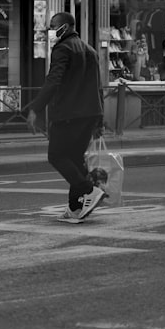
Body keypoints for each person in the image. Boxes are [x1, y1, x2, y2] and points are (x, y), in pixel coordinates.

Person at [24, 12, 105, 224]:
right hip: (88, 115)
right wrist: (99, 120)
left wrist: (36, 108)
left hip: (68, 114)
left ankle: (90, 190)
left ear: (67, 27)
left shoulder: (62, 49)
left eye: (54, 26)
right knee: (75, 159)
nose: (52, 31)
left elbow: (54, 80)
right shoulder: (91, 50)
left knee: (57, 156)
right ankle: (75, 209)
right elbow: (98, 86)